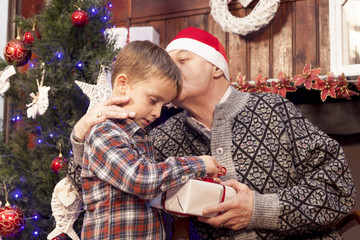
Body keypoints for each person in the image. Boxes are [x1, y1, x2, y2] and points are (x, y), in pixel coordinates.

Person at [70, 28, 356, 239]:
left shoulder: (273, 109)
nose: (170, 70)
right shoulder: (158, 137)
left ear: (216, 68)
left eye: (182, 60)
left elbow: (339, 190)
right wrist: (81, 134)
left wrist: (258, 208)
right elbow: (87, 189)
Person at [77, 40, 223, 240]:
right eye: (153, 100)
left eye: (162, 106)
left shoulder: (141, 138)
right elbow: (141, 179)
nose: (156, 113)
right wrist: (199, 164)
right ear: (122, 84)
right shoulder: (104, 133)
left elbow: (154, 189)